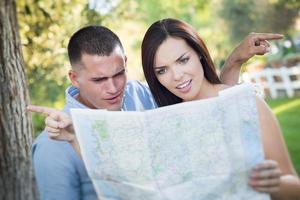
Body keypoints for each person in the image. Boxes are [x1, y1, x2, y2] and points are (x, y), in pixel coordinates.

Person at [28, 25, 284, 199]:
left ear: (126, 64)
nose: (114, 88)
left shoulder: (145, 95)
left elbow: (209, 105)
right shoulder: (52, 147)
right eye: (99, 80)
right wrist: (75, 137)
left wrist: (233, 62)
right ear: (74, 78)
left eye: (119, 74)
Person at [140, 18, 300, 199]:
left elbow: (295, 188)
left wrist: (274, 184)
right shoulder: (165, 126)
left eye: (183, 60)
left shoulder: (247, 104)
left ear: (199, 52)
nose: (177, 76)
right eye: (162, 70)